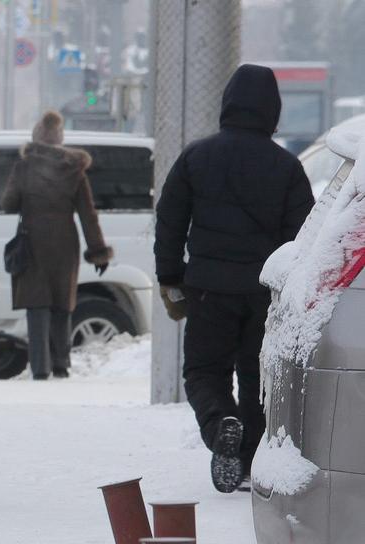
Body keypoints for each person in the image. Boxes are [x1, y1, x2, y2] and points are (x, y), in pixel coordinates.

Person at [154, 64, 314, 494]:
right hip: (264, 295)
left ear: (227, 104)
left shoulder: (196, 157)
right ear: (272, 111)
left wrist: (170, 276)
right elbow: (302, 236)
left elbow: (170, 220)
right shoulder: (287, 167)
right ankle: (245, 460)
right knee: (256, 378)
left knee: (204, 373)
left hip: (207, 289)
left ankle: (219, 427)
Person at [2, 111, 113, 380]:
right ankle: (62, 364)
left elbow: (8, 204)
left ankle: (40, 368)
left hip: (33, 241)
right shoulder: (75, 170)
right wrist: (98, 252)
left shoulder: (24, 167)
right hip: (65, 243)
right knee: (62, 304)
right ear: (59, 139)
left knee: (37, 305)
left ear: (38, 137)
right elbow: (88, 215)